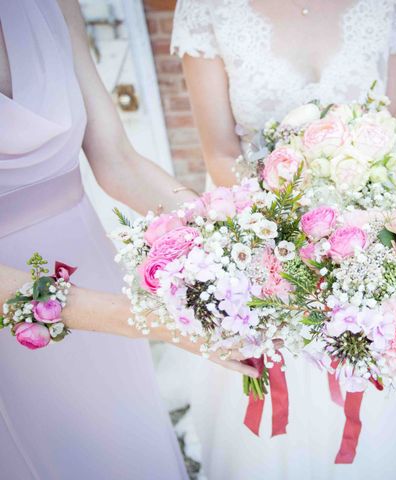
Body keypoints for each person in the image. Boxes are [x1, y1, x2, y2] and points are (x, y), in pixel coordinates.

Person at [169, 0, 396, 478]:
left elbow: (395, 134)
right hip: (255, 232)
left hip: (361, 238)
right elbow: (219, 150)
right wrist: (294, 227)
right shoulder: (207, 9)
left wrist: (354, 231)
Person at [0, 1, 256, 478]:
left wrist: (236, 241)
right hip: (26, 319)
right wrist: (155, 320)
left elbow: (118, 161)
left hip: (89, 264)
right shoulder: (138, 317)